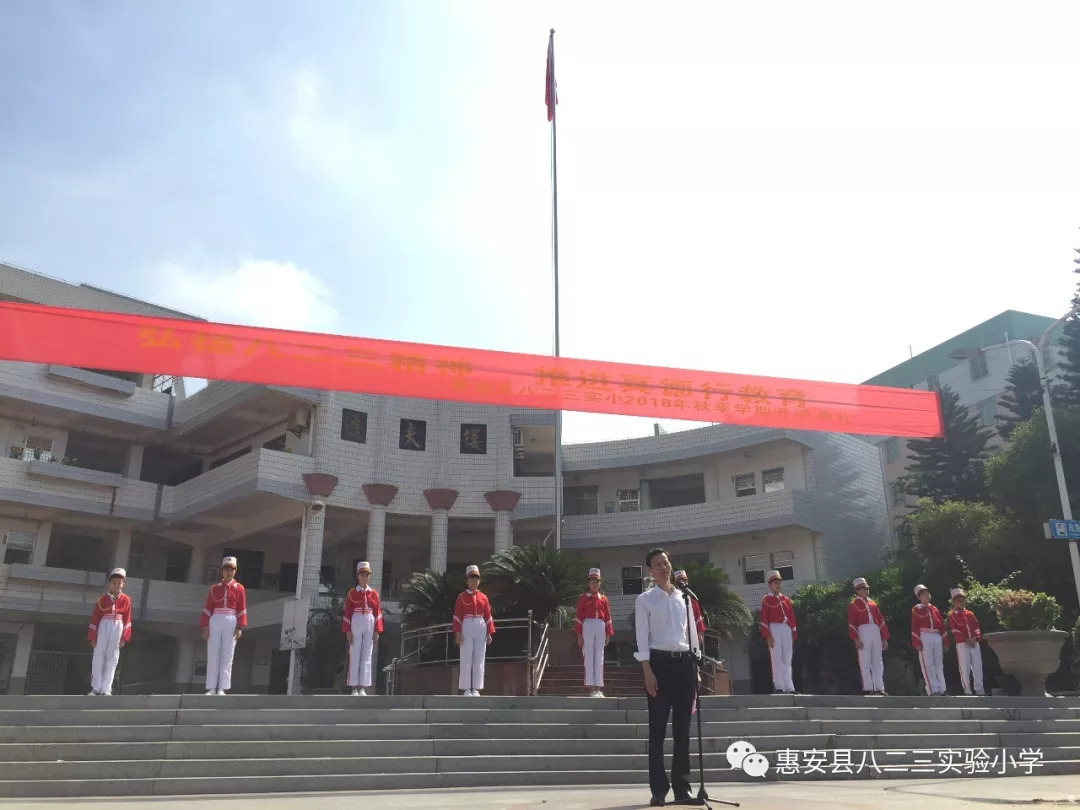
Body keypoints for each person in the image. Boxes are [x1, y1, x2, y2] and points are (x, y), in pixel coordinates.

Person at [634, 548, 700, 807]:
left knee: (683, 730)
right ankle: (659, 790)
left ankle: (682, 788)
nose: (663, 567)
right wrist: (647, 671)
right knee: (658, 729)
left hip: (684, 664)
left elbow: (692, 633)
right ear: (650, 571)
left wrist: (695, 668)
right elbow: (642, 639)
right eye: (657, 564)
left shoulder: (684, 597)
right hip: (659, 665)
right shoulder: (645, 599)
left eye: (666, 562)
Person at [200, 556, 247, 695]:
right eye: (226, 569)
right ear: (222, 571)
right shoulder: (214, 588)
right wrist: (205, 627)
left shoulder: (239, 588)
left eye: (231, 569)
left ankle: (222, 688)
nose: (229, 572)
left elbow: (242, 609)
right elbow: (208, 608)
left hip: (231, 619)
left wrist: (239, 627)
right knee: (213, 653)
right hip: (215, 619)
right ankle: (211, 687)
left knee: (227, 654)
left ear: (235, 571)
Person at [87, 567, 132, 696]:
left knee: (112, 658)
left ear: (123, 584)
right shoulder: (101, 600)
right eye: (114, 582)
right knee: (98, 657)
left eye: (119, 583)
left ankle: (106, 688)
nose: (117, 585)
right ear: (109, 583)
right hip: (103, 626)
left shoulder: (126, 600)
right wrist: (92, 637)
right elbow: (95, 618)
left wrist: (124, 637)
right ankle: (96, 687)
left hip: (118, 626)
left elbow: (128, 619)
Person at [452, 564, 495, 696]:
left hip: (480, 626)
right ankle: (466, 688)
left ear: (479, 580)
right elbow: (457, 617)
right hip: (467, 625)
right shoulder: (461, 597)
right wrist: (458, 634)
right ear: (467, 580)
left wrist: (489, 633)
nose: (474, 581)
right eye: (471, 578)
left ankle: (476, 688)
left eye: (476, 578)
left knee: (479, 658)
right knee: (466, 657)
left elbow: (488, 616)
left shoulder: (484, 597)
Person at [342, 560, 383, 696]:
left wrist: (377, 630)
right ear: (357, 576)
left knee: (367, 655)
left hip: (369, 623)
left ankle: (362, 687)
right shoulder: (351, 593)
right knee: (355, 654)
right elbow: (347, 612)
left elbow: (377, 613)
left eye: (367, 574)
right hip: (356, 621)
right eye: (362, 574)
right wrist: (347, 630)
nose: (365, 577)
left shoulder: (374, 594)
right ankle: (354, 686)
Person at [575, 567, 614, 697]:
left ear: (600, 583)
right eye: (592, 581)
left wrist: (608, 633)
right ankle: (591, 689)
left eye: (597, 581)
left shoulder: (604, 599)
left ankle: (598, 688)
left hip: (600, 626)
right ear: (588, 583)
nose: (595, 584)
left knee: (599, 657)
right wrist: (579, 636)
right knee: (589, 657)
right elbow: (579, 618)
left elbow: (608, 617)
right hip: (588, 625)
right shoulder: (583, 598)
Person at [848, 576, 889, 696]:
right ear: (857, 590)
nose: (866, 591)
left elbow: (881, 620)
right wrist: (856, 639)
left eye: (866, 588)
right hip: (863, 631)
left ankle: (879, 687)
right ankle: (868, 687)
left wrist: (884, 638)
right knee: (865, 661)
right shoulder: (853, 604)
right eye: (863, 589)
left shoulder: (872, 603)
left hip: (875, 630)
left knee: (877, 660)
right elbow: (852, 623)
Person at [760, 569, 797, 695]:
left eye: (779, 582)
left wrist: (793, 632)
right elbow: (764, 619)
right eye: (775, 582)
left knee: (787, 657)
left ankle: (789, 686)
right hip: (774, 628)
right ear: (770, 584)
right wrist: (768, 636)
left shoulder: (786, 599)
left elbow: (791, 617)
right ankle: (779, 686)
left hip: (786, 628)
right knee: (776, 658)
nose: (778, 585)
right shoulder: (766, 599)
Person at [911, 584, 949, 696]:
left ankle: (942, 689)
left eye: (927, 593)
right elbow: (914, 627)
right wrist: (917, 642)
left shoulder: (934, 609)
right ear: (919, 597)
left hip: (936, 636)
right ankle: (933, 689)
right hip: (925, 635)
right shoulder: (916, 609)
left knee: (938, 663)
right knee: (928, 664)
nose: (926, 596)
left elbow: (941, 625)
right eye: (923, 594)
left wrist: (945, 641)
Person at [948, 587, 984, 696]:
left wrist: (975, 638)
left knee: (978, 666)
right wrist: (966, 639)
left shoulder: (970, 614)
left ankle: (979, 689)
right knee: (964, 666)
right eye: (959, 600)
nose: (961, 602)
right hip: (962, 644)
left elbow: (976, 627)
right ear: (954, 602)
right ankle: (967, 689)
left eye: (963, 599)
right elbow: (954, 630)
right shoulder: (952, 615)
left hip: (974, 643)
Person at [672, 570, 706, 639]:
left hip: (690, 639)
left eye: (684, 580)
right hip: (675, 639)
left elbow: (698, 620)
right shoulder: (670, 600)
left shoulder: (692, 601)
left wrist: (699, 636)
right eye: (679, 581)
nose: (683, 583)